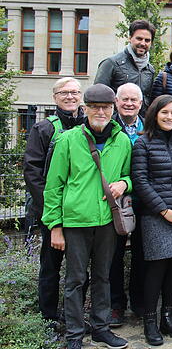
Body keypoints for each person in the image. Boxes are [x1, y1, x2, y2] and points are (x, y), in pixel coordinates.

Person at [42, 84, 132, 349]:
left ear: (113, 110)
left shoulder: (123, 140)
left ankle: (101, 329)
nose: (101, 112)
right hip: (76, 222)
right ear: (86, 109)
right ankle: (74, 335)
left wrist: (124, 184)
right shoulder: (68, 140)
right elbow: (53, 185)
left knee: (103, 277)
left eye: (105, 107)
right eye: (95, 107)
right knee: (75, 280)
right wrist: (55, 226)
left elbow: (130, 175)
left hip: (107, 221)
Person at [131, 95, 172, 345]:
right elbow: (141, 182)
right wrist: (163, 210)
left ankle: (167, 318)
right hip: (156, 216)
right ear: (154, 114)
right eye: (165, 113)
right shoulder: (142, 143)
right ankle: (150, 321)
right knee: (156, 269)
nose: (170, 117)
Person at [23, 77, 86, 326]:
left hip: (81, 212)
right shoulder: (44, 129)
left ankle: (76, 316)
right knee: (50, 267)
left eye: (74, 92)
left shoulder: (88, 125)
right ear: (55, 97)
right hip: (53, 213)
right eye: (64, 93)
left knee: (80, 269)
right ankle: (49, 317)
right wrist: (52, 211)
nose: (70, 97)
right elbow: (32, 173)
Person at [108, 83, 145, 326]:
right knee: (115, 254)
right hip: (115, 199)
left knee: (143, 252)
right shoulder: (108, 128)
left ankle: (139, 301)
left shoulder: (147, 127)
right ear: (116, 102)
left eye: (134, 100)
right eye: (125, 99)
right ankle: (115, 305)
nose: (129, 103)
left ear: (141, 104)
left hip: (144, 198)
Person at [94, 20, 155, 111]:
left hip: (140, 123)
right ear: (130, 38)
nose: (143, 43)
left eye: (147, 40)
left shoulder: (150, 70)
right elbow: (98, 95)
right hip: (115, 122)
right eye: (139, 38)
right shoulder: (111, 64)